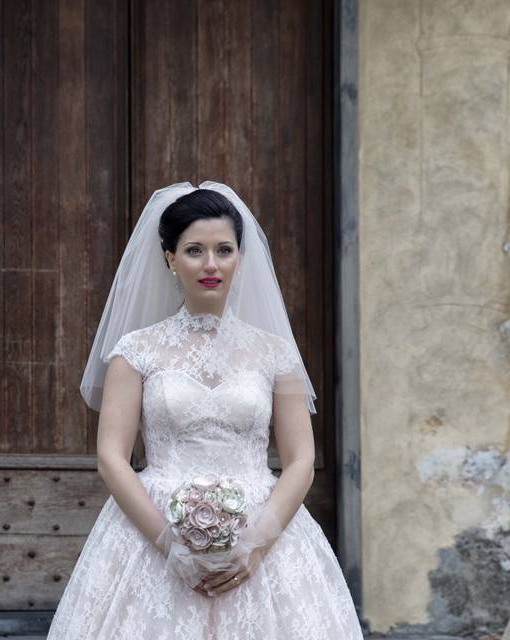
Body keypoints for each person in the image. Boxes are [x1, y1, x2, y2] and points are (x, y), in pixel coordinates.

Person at [46, 182, 364, 638]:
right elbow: (112, 458)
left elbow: (301, 461)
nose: (210, 264)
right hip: (153, 531)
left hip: (262, 527)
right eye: (195, 250)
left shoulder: (276, 353)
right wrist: (168, 544)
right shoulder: (136, 351)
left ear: (240, 258)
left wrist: (255, 545)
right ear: (170, 259)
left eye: (224, 250)